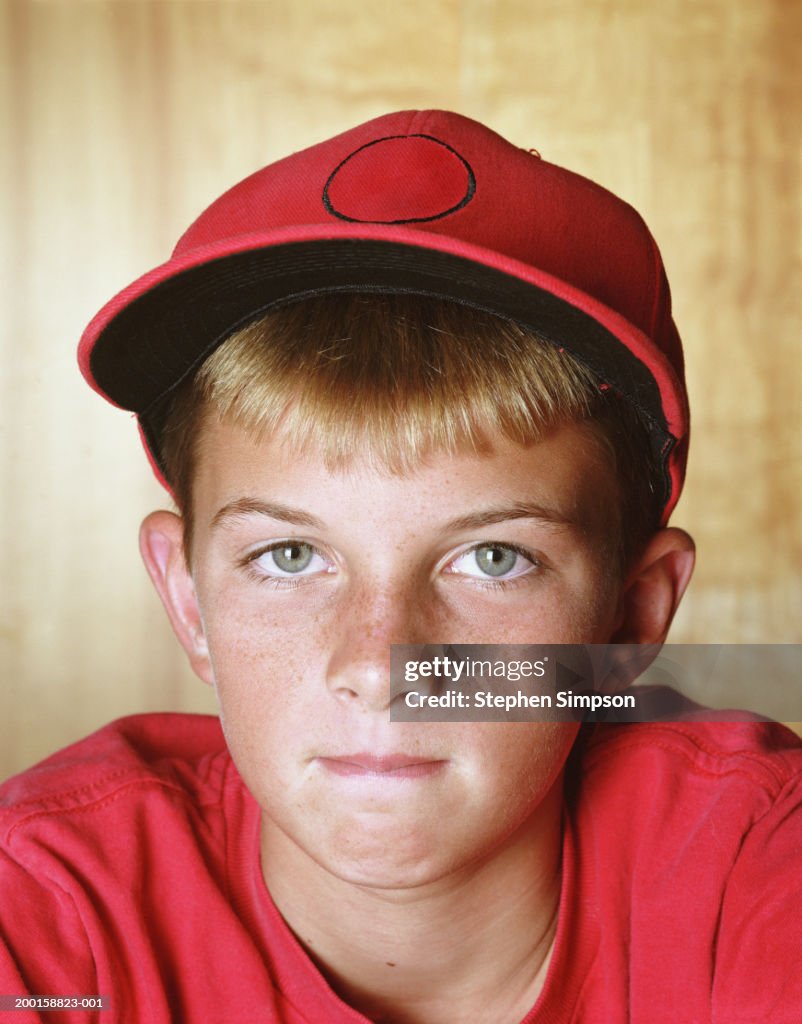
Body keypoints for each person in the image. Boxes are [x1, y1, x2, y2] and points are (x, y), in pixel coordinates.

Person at [1, 110, 800, 1023]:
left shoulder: (755, 868)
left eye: (493, 558)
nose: (379, 666)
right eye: (289, 556)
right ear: (188, 605)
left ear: (629, 620)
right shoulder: (46, 916)